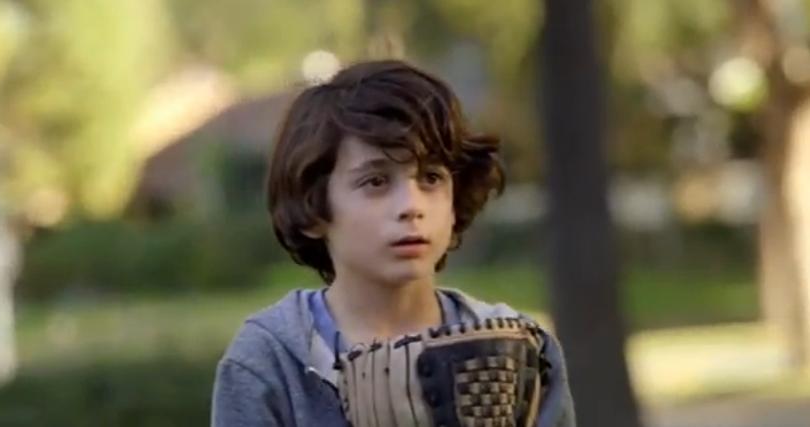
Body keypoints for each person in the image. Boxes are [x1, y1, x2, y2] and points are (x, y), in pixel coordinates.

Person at [211, 59, 576, 427]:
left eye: (431, 178)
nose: (411, 206)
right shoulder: (269, 362)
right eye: (376, 182)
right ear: (314, 208)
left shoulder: (519, 349)